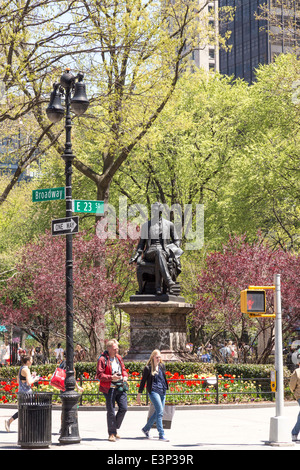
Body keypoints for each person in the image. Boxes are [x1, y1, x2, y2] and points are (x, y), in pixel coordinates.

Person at [96, 339, 128, 442]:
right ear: (109, 349)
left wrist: (125, 376)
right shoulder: (102, 359)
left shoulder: (119, 358)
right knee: (111, 411)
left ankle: (115, 427)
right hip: (109, 388)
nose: (117, 350)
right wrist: (111, 377)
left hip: (120, 387)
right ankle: (112, 434)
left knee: (124, 408)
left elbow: (123, 369)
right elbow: (99, 375)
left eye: (117, 348)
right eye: (115, 349)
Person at [136, 349, 169, 441]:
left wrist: (165, 388)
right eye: (157, 357)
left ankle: (146, 429)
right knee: (160, 412)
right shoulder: (148, 368)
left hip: (162, 391)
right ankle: (161, 434)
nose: (158, 359)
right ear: (153, 357)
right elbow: (143, 382)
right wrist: (139, 394)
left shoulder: (162, 366)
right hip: (153, 391)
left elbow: (163, 378)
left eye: (159, 357)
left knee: (159, 411)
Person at [5, 354, 40, 432]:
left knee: (23, 410)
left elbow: (18, 380)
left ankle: (11, 422)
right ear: (27, 361)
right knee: (27, 410)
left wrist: (31, 376)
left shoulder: (21, 368)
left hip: (21, 392)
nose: (32, 361)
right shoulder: (26, 369)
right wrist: (35, 379)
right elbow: (29, 382)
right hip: (26, 393)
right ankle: (27, 427)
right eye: (31, 360)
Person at [289, 361, 300, 441]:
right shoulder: (297, 372)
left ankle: (294, 433)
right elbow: (292, 386)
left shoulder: (297, 372)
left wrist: (294, 392)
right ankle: (294, 433)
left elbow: (292, 386)